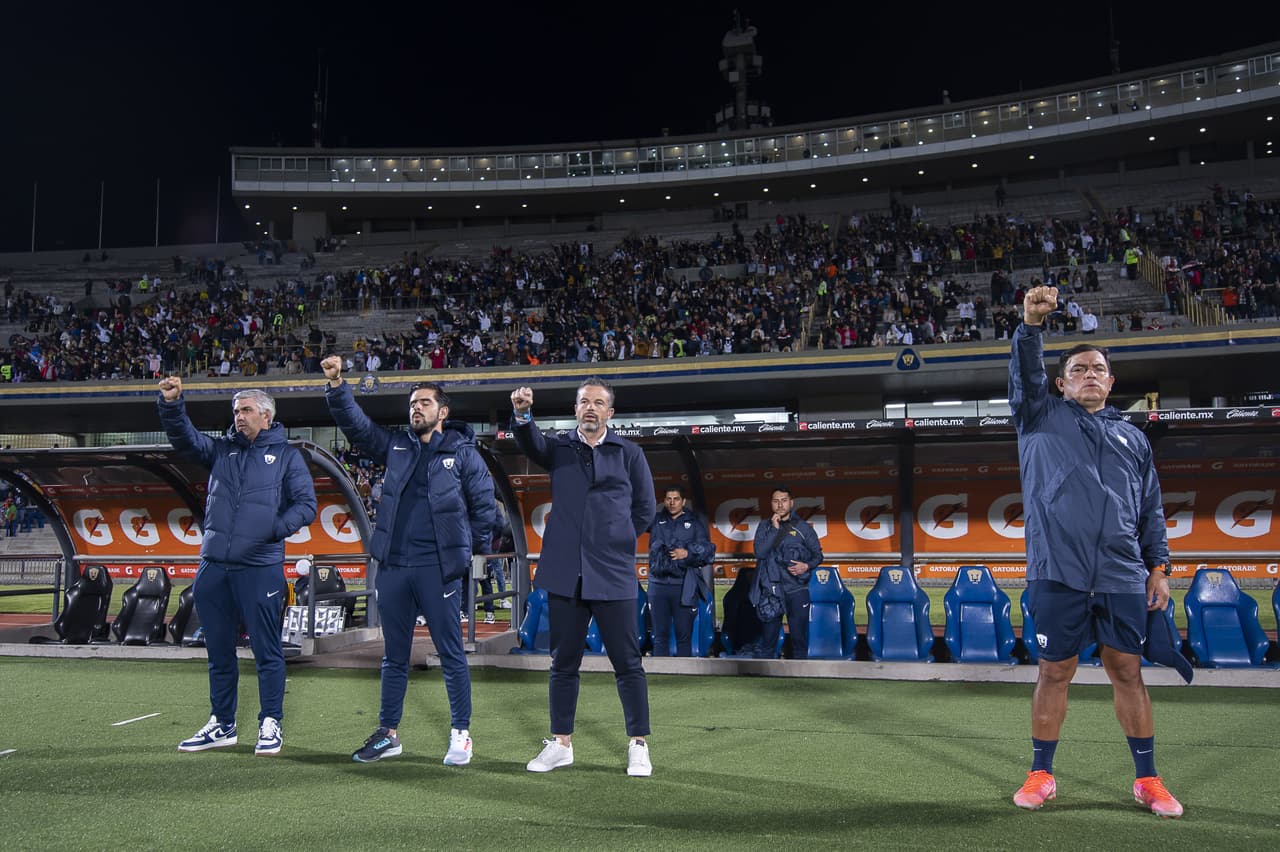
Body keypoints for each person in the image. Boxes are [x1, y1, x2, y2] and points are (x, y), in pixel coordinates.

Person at [1009, 285, 1184, 818]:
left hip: (1122, 574)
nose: (1090, 374)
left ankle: (1148, 780)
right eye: (1079, 368)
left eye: (1098, 369)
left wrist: (1159, 568)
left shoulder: (1134, 439)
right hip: (1057, 572)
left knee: (1128, 671)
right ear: (1061, 383)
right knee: (1053, 672)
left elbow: (1151, 509)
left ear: (1111, 382)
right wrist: (1031, 327)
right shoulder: (1040, 417)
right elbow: (1026, 375)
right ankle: (1041, 772)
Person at [321, 355, 496, 767]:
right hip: (395, 568)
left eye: (425, 403)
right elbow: (358, 429)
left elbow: (484, 508)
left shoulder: (463, 452)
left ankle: (461, 735)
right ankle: (389, 733)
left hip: (438, 568)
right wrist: (336, 387)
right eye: (413, 403)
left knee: (451, 652)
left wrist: (469, 555)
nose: (416, 408)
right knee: (394, 655)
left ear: (443, 412)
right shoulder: (396, 446)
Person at [158, 378, 317, 756]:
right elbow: (185, 439)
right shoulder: (221, 450)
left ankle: (270, 723)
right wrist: (171, 403)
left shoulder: (288, 456)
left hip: (259, 566)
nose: (238, 417)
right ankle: (222, 724)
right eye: (235, 411)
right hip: (213, 566)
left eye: (245, 410)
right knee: (218, 651)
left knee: (266, 651)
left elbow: (306, 505)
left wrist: (272, 530)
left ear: (266, 414)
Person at [510, 378, 657, 777]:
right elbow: (530, 444)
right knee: (563, 663)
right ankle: (561, 744)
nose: (590, 408)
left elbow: (645, 508)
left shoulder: (630, 454)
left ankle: (638, 744)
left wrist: (618, 536)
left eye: (598, 403)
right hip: (566, 572)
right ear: (575, 410)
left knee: (628, 663)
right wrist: (523, 413)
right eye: (583, 402)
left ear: (610, 412)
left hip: (613, 572)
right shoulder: (559, 447)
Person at [750, 486, 823, 659]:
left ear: (791, 503)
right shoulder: (764, 526)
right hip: (771, 591)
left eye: (784, 501)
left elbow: (818, 555)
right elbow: (760, 553)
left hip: (796, 590)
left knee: (799, 639)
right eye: (776, 501)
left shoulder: (803, 528)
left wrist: (806, 566)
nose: (780, 505)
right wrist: (774, 529)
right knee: (768, 641)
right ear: (771, 504)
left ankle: (800, 680)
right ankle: (766, 680)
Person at [646, 484, 714, 657]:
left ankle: (684, 678)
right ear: (664, 501)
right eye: (668, 499)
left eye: (676, 499)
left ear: (683, 501)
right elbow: (631, 521)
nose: (672, 502)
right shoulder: (655, 520)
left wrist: (687, 553)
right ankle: (659, 677)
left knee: (684, 636)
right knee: (659, 636)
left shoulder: (694, 524)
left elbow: (708, 550)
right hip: (657, 585)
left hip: (683, 586)